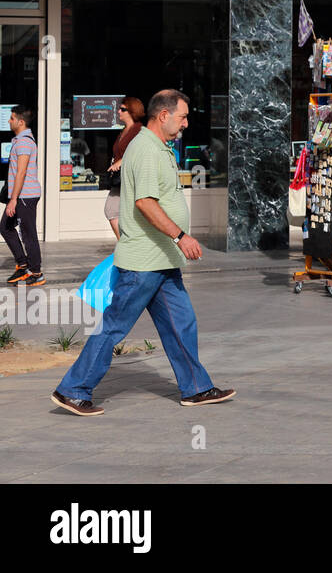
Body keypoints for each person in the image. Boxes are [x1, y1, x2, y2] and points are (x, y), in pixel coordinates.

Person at [50, 89, 235, 416]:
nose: (186, 124)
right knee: (114, 328)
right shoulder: (147, 150)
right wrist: (180, 236)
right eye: (183, 117)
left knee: (182, 324)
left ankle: (195, 388)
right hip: (143, 263)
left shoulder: (158, 147)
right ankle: (73, 390)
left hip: (161, 260)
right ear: (163, 115)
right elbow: (145, 202)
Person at [3, 105, 43, 287]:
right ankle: (23, 264)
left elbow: (21, 172)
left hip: (25, 197)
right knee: (5, 227)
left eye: (11, 118)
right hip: (20, 196)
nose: (9, 121)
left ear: (21, 121)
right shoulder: (19, 141)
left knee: (28, 235)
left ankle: (36, 273)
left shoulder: (25, 142)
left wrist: (13, 199)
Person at [105, 97, 146, 239]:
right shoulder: (124, 131)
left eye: (123, 109)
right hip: (120, 178)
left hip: (131, 177)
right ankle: (124, 242)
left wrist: (120, 162)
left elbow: (140, 151)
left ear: (132, 112)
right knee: (111, 210)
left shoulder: (139, 131)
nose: (118, 111)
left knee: (128, 213)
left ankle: (127, 244)